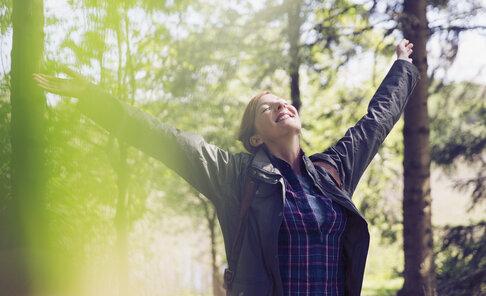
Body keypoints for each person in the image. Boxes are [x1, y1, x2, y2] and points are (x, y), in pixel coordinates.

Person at [34, 39, 419, 296]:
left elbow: (376, 122)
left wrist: (402, 66)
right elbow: (164, 138)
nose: (281, 105)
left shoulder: (332, 172)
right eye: (267, 108)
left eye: (284, 102)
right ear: (254, 138)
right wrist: (92, 97)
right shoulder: (237, 177)